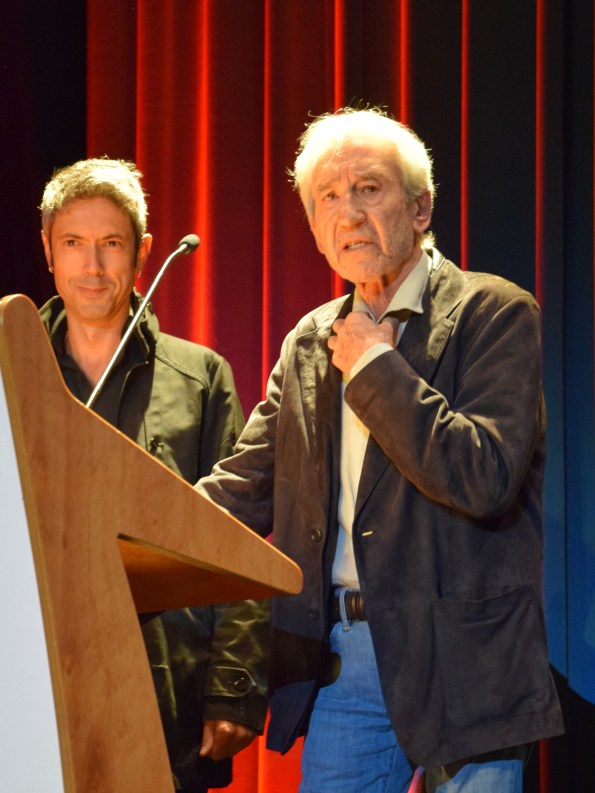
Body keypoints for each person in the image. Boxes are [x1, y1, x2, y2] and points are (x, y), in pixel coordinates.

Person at [196, 108, 564, 792]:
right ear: (315, 229)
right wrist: (125, 531)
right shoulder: (309, 341)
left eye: (369, 188)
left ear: (420, 208)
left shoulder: (494, 313)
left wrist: (373, 368)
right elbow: (243, 487)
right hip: (347, 659)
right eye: (328, 197)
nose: (349, 213)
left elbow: (482, 474)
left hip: (467, 658)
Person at [38, 157, 268, 793]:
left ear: (141, 253)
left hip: (167, 685)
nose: (92, 266)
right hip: (35, 674)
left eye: (111, 244)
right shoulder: (11, 372)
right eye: (73, 243)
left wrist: (234, 687)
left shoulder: (200, 378)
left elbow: (239, 538)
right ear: (47, 250)